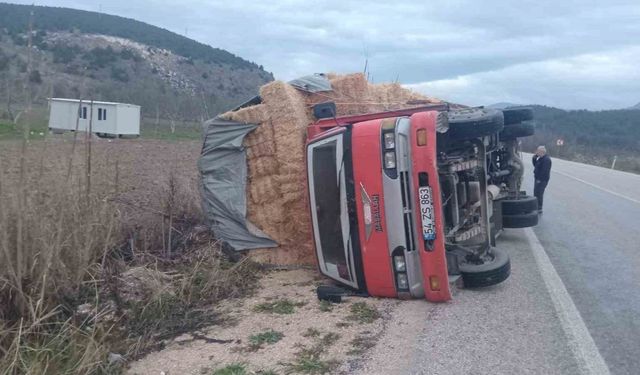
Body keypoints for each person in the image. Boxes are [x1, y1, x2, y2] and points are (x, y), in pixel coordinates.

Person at [532, 146, 552, 213]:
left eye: (538, 151)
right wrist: (534, 158)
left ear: (542, 152)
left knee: (539, 193)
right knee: (535, 193)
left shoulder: (546, 160)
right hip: (537, 178)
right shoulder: (540, 158)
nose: (537, 152)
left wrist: (539, 179)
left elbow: (545, 171)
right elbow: (536, 165)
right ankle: (535, 206)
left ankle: (539, 208)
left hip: (542, 180)